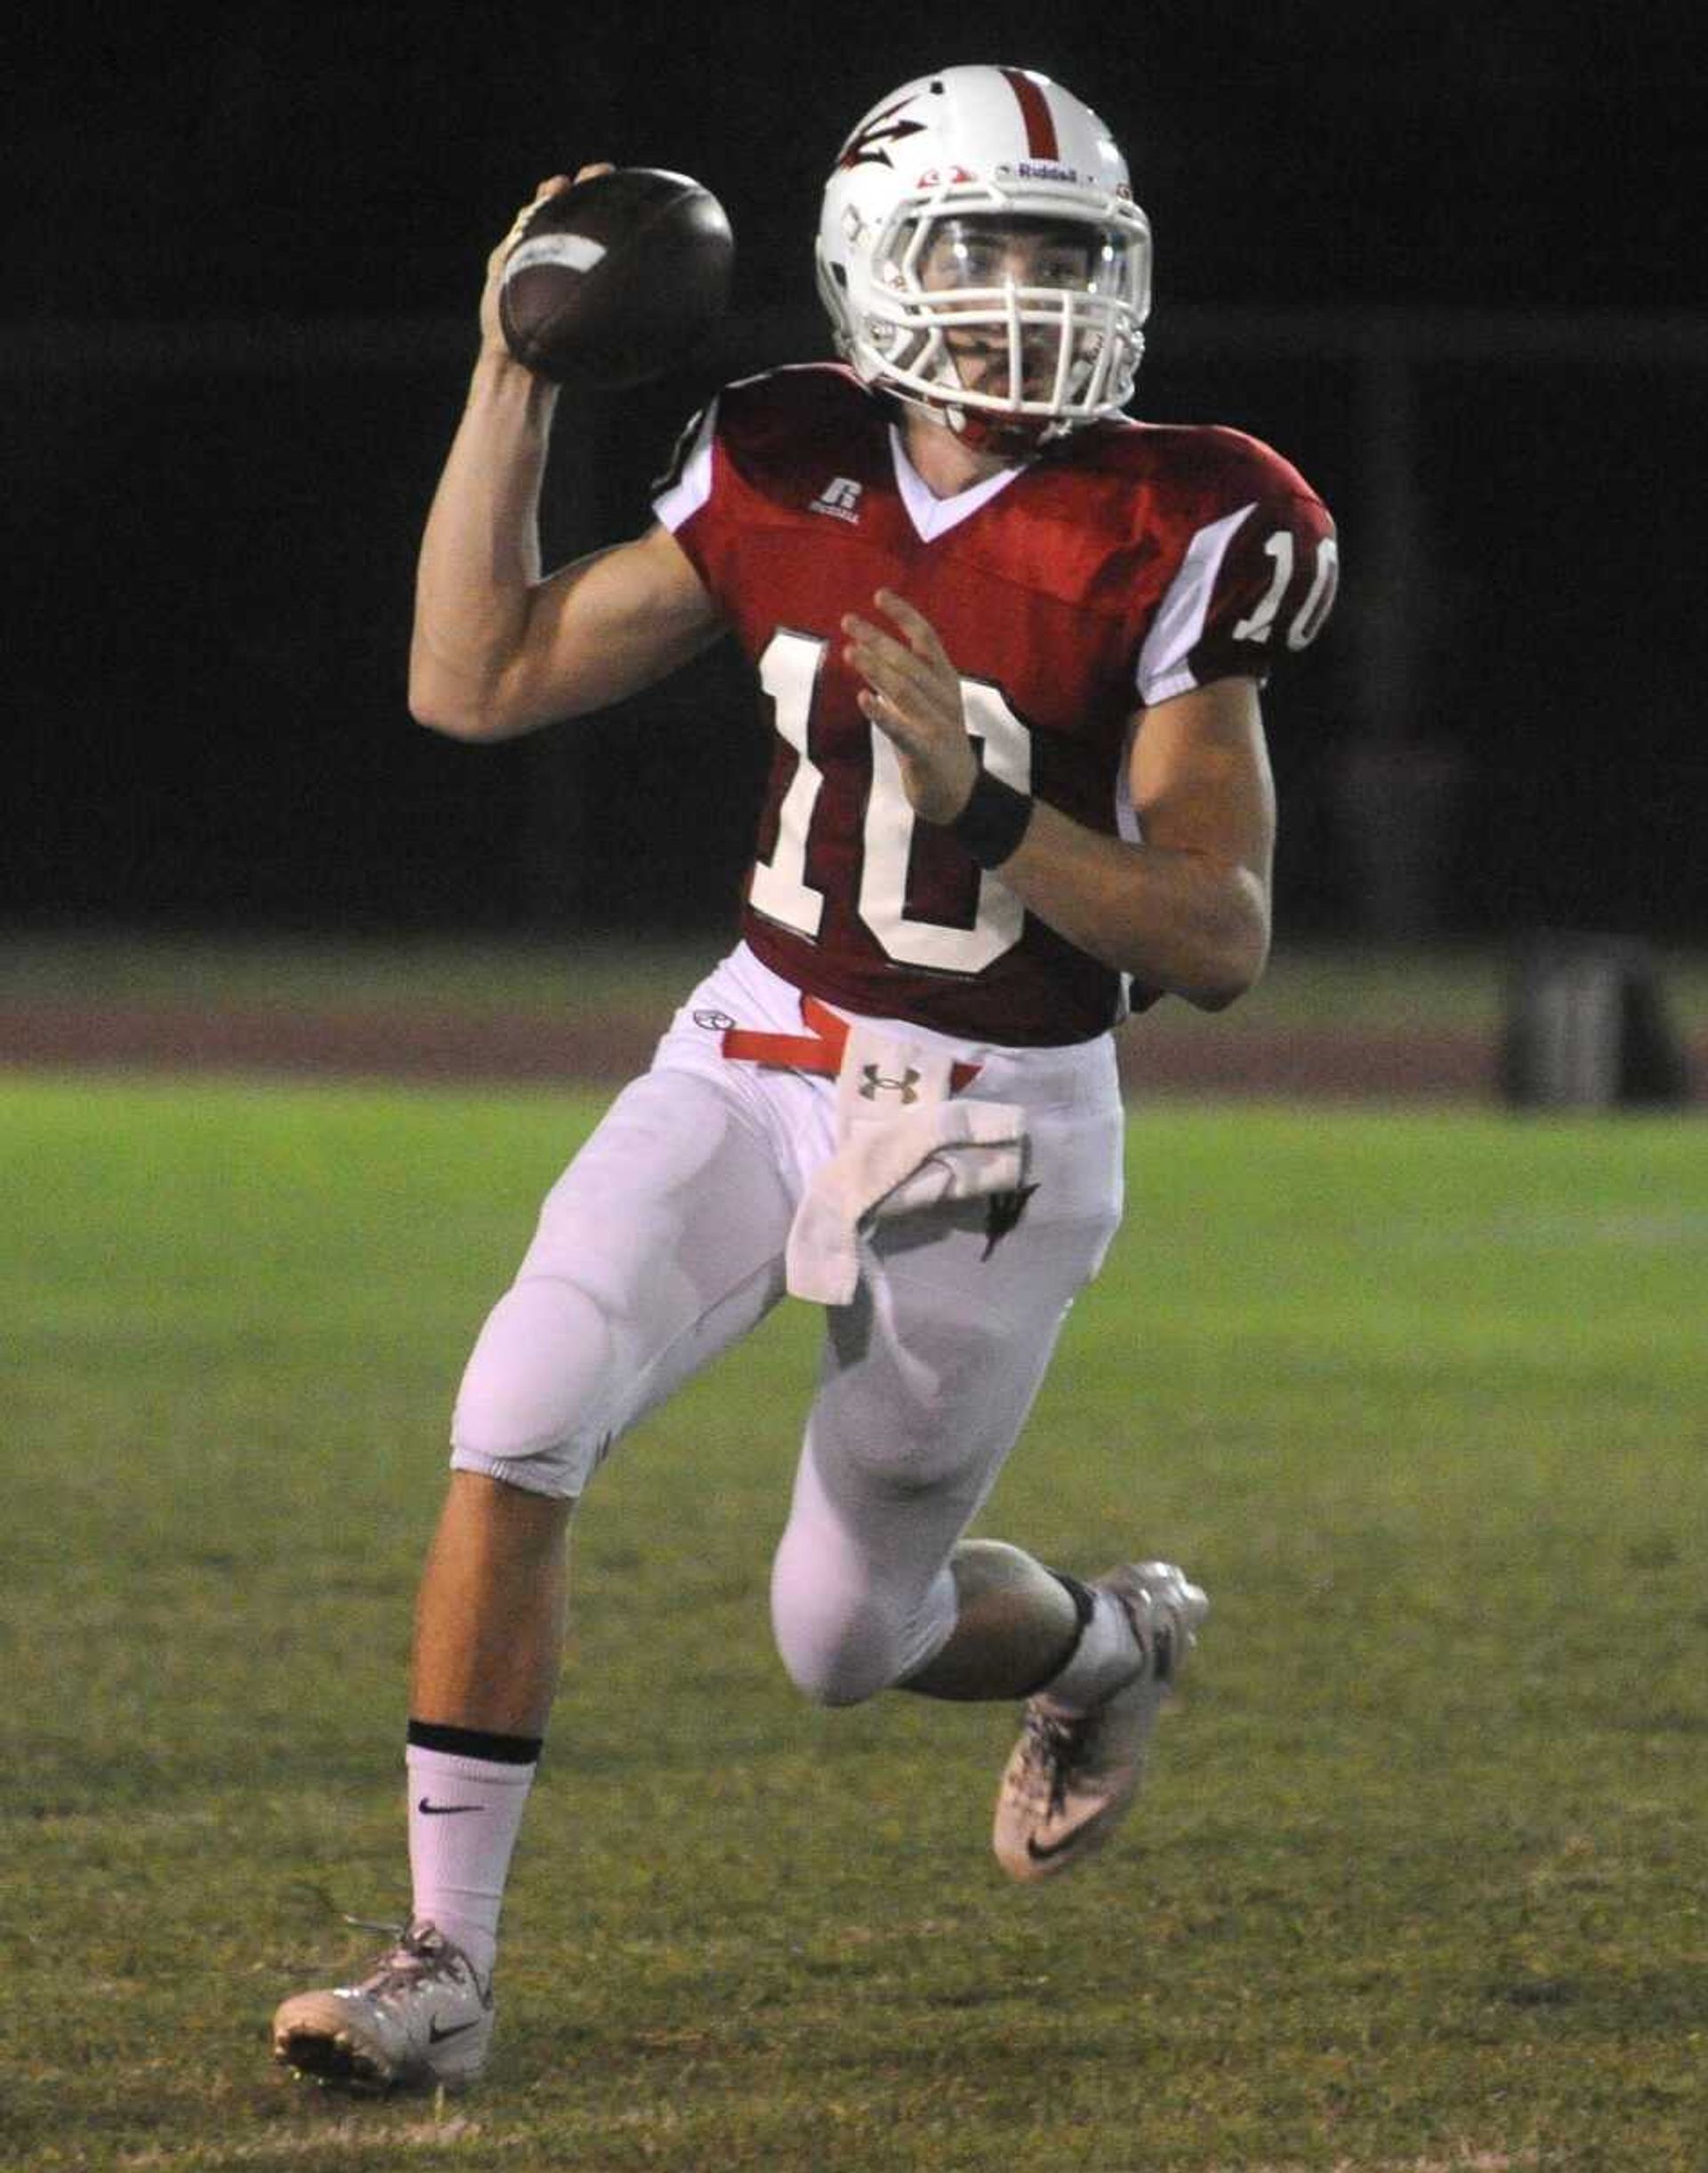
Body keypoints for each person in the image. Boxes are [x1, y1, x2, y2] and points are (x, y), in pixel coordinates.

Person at [272, 61, 1337, 2094]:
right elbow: (468, 676)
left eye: (1063, 254)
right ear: (873, 258)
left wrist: (989, 805)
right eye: (986, 246)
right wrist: (515, 371)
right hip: (757, 1048)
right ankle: (442, 1965)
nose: (1028, 293)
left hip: (999, 1123)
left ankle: (1106, 1644)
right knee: (517, 1412)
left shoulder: (1189, 512)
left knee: (845, 1636)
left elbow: (1220, 936)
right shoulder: (781, 452)